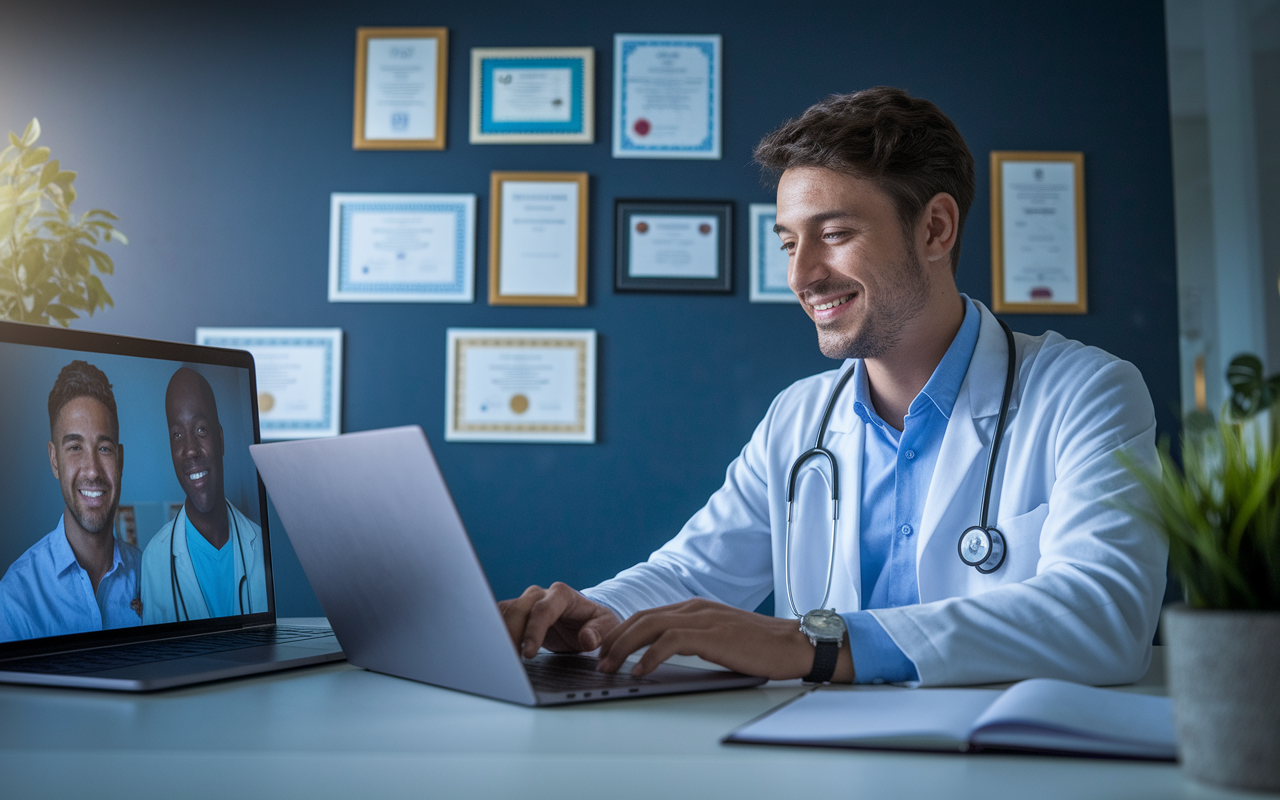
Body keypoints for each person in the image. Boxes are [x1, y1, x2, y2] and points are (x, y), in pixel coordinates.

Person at [500, 87, 1168, 687]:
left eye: (835, 234)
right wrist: (592, 612)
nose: (803, 276)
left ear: (936, 228)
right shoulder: (799, 417)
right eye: (789, 243)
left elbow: (1103, 617)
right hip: (818, 760)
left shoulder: (1087, 392)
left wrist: (813, 645)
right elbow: (692, 573)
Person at [0, 361, 142, 641]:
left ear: (120, 460)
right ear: (54, 460)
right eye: (75, 448)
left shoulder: (150, 575)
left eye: (104, 448)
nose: (92, 470)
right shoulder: (14, 597)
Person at [141, 367, 267, 623]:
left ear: (220, 439)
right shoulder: (154, 559)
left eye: (200, 430)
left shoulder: (263, 545)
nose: (190, 451)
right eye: (177, 435)